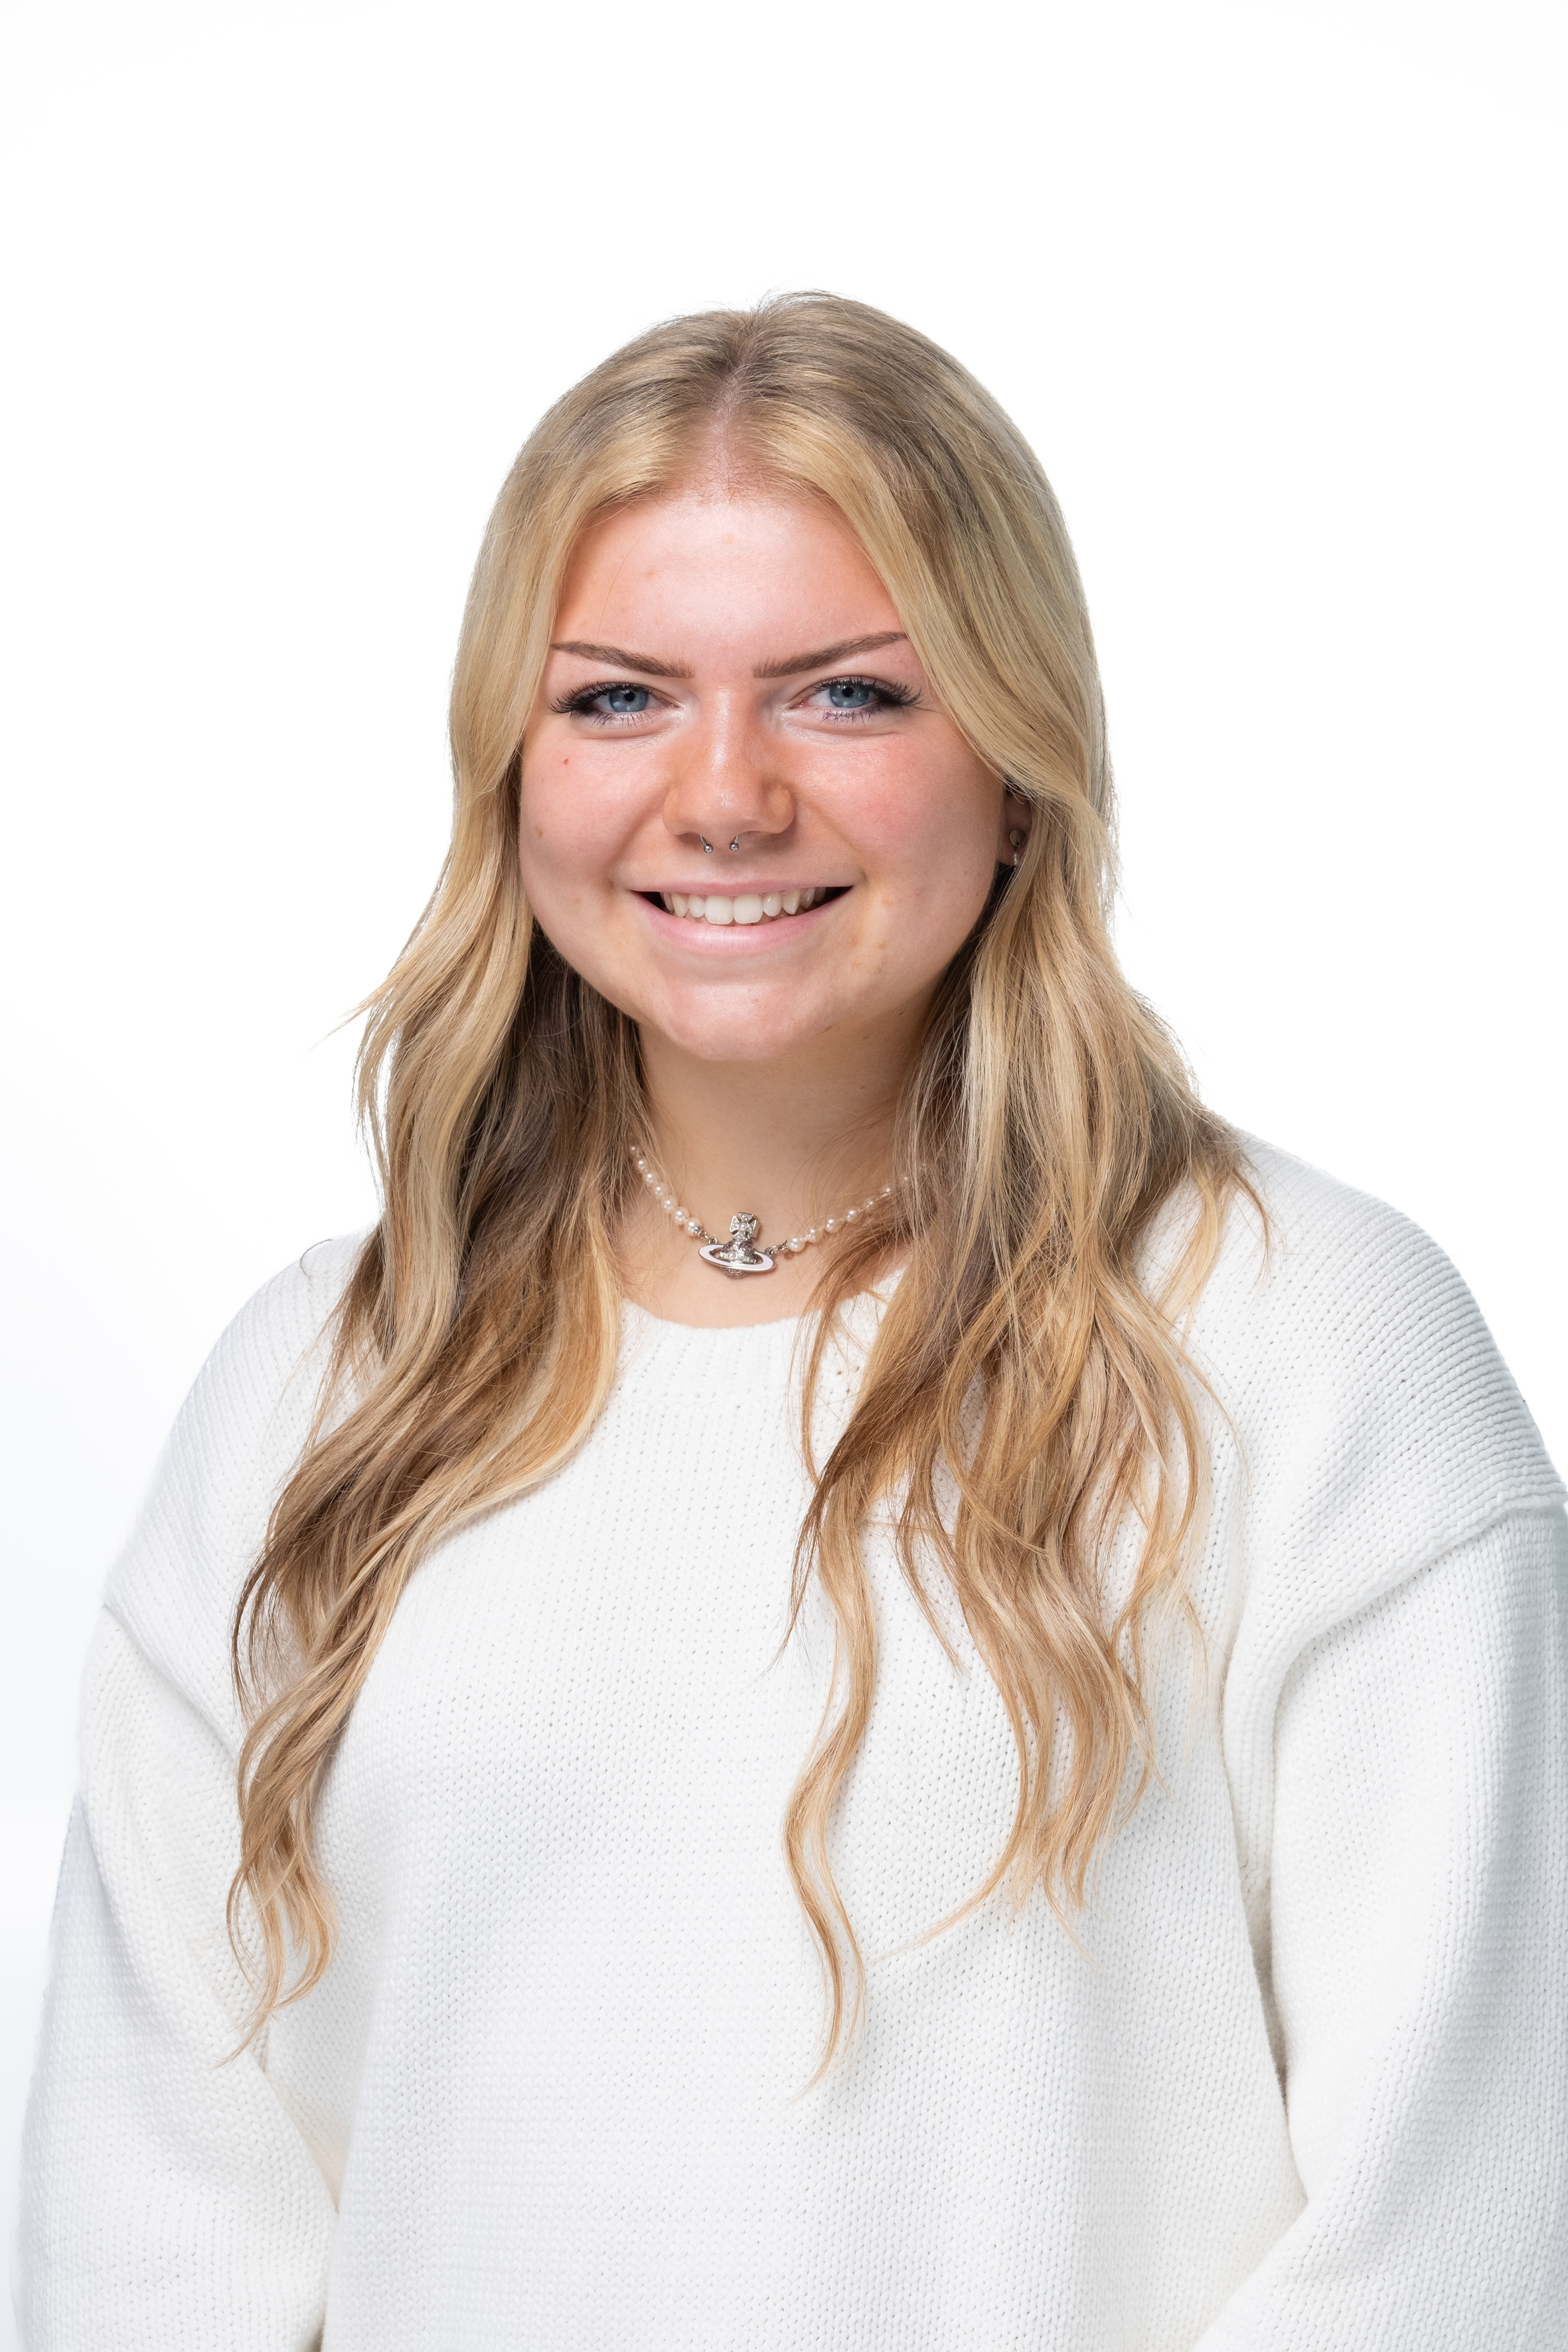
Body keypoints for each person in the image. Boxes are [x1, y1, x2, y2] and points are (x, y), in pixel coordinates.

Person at [19, 293, 1567, 2351]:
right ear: (508, 768)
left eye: (844, 695)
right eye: (618, 700)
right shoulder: (326, 1385)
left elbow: (1453, 2230)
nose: (725, 795)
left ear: (1016, 765)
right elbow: (159, 2232)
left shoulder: (1307, 1351)